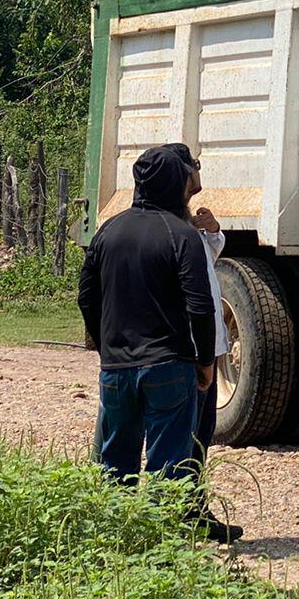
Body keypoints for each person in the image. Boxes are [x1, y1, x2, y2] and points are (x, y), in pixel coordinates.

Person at [78, 144, 216, 491]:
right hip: (169, 365)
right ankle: (162, 538)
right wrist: (205, 360)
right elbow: (200, 307)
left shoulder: (107, 232)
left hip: (116, 368)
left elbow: (86, 298)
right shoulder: (183, 236)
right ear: (176, 183)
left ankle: (120, 539)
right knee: (170, 470)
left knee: (115, 468)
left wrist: (105, 348)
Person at [164, 142, 243, 544]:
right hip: (190, 350)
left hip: (206, 346)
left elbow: (205, 262)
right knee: (177, 439)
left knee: (199, 436)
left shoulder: (187, 225)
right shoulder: (169, 228)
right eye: (193, 166)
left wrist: (213, 233)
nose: (198, 171)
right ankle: (167, 522)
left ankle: (192, 512)